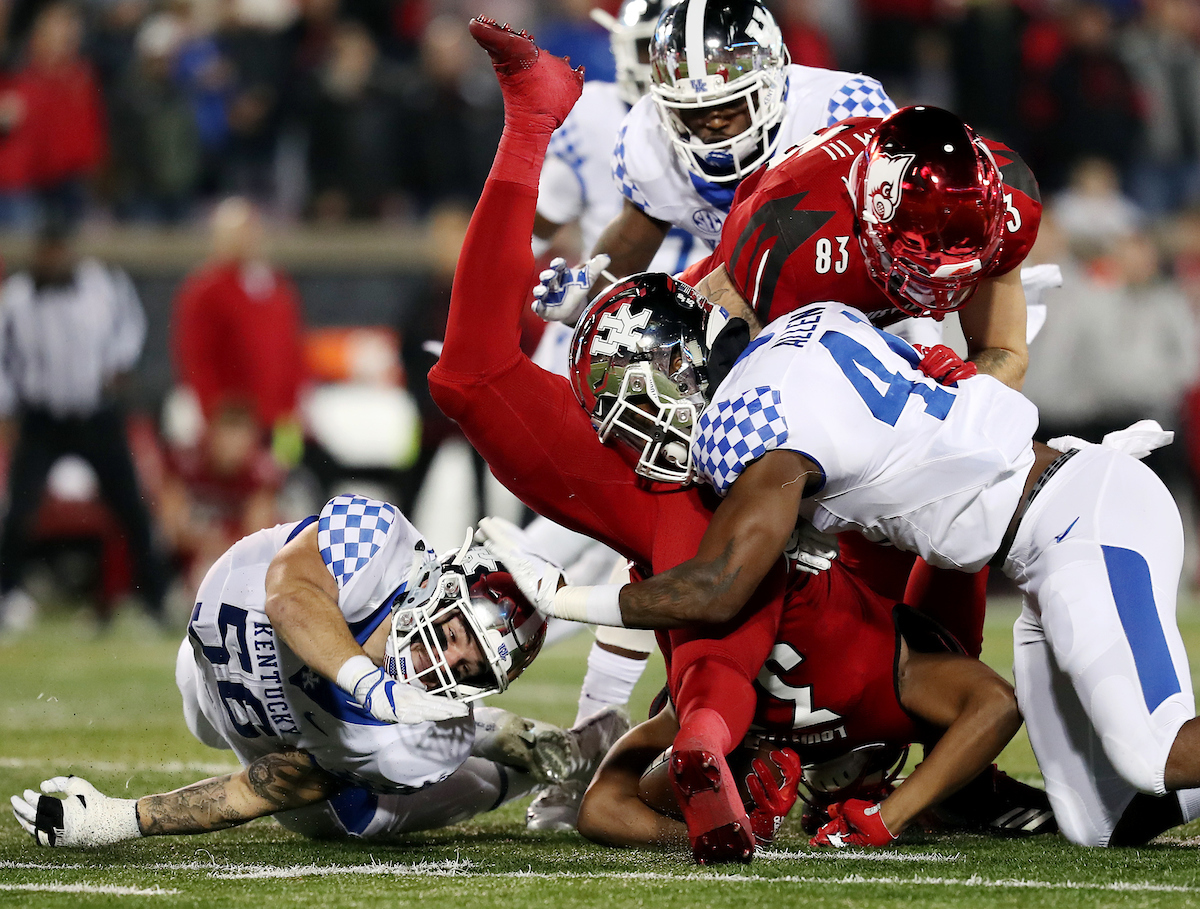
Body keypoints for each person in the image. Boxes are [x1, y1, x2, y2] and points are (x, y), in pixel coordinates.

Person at [426, 18, 1042, 863]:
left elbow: (712, 614)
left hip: (718, 452)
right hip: (768, 423)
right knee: (925, 528)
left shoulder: (875, 191)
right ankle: (726, 746)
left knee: (472, 381)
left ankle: (531, 119)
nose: (712, 127)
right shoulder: (802, 221)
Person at [502, 255, 1200, 847]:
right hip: (1047, 529)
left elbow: (716, 588)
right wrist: (598, 305)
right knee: (1096, 820)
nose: (635, 431)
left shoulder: (752, 426)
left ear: (676, 374)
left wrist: (562, 599)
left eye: (636, 402)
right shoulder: (798, 331)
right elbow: (706, 319)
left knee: (1154, 753)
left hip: (1077, 520)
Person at [11, 491, 628, 846]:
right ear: (438, 586)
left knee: (479, 778)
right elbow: (290, 595)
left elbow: (262, 787)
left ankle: (579, 752)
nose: (447, 663)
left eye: (472, 670)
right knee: (200, 714)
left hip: (337, 798)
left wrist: (124, 820)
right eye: (454, 633)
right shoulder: (380, 538)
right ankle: (499, 729)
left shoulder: (415, 744)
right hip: (217, 676)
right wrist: (369, 683)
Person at [521, 0, 702, 833]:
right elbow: (552, 223)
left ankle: (604, 726)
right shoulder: (600, 114)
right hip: (620, 346)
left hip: (689, 347)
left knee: (648, 547)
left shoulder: (763, 120)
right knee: (581, 541)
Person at [530, 0, 895, 324]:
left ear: (771, 82)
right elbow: (623, 256)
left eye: (732, 103)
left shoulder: (840, 109)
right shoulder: (649, 138)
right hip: (761, 316)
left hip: (879, 309)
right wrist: (588, 304)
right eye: (694, 109)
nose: (715, 121)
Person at [577, 596, 1035, 850]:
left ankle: (967, 796)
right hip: (824, 675)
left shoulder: (878, 671)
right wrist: (729, 834)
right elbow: (600, 810)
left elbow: (601, 809)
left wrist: (887, 816)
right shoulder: (877, 675)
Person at [0, 221, 169, 626]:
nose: (53, 260)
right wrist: (6, 407)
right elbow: (4, 354)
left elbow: (131, 325)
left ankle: (156, 599)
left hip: (96, 413)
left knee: (131, 506)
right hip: (42, 416)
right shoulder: (17, 298)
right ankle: (6, 594)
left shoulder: (103, 284)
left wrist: (119, 362)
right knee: (18, 509)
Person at [170, 196, 308, 467]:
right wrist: (214, 416)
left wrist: (293, 406)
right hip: (233, 424)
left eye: (249, 231)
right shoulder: (204, 291)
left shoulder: (276, 286)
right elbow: (196, 359)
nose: (245, 239)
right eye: (236, 233)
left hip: (279, 418)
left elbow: (292, 350)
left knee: (282, 479)